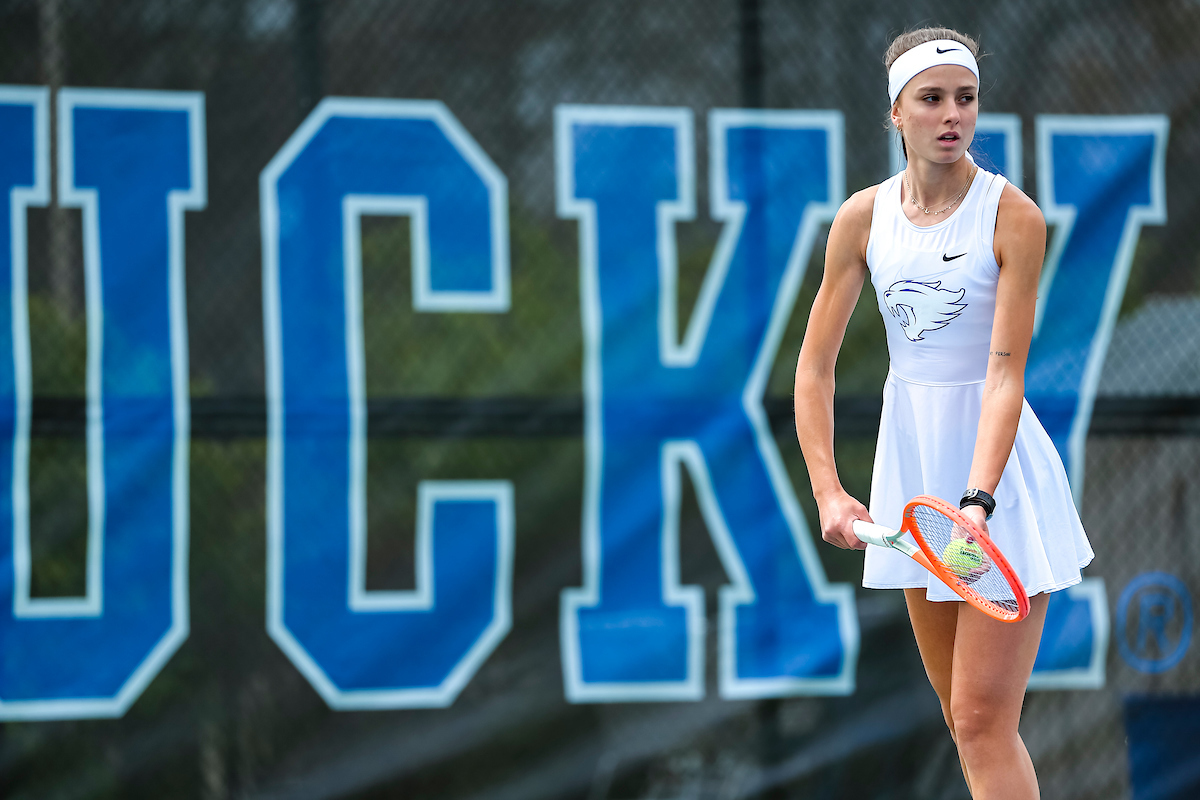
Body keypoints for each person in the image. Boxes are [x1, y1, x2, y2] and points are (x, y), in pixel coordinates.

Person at [793, 27, 1094, 800]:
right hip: (915, 479)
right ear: (897, 113)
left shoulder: (1012, 217)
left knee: (981, 718)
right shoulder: (862, 220)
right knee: (964, 721)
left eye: (965, 98)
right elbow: (814, 368)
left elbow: (1004, 375)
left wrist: (977, 501)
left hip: (997, 495)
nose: (952, 115)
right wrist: (828, 489)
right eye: (931, 99)